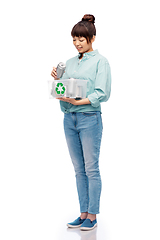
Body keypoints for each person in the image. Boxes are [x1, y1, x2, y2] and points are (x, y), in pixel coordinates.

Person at [51, 14, 111, 231]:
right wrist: (57, 80)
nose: (77, 43)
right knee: (79, 169)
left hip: (89, 119)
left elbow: (102, 93)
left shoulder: (100, 62)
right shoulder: (68, 62)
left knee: (91, 169)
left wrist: (79, 103)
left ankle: (93, 216)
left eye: (81, 39)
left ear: (92, 38)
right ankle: (83, 212)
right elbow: (65, 88)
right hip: (69, 119)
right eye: (74, 39)